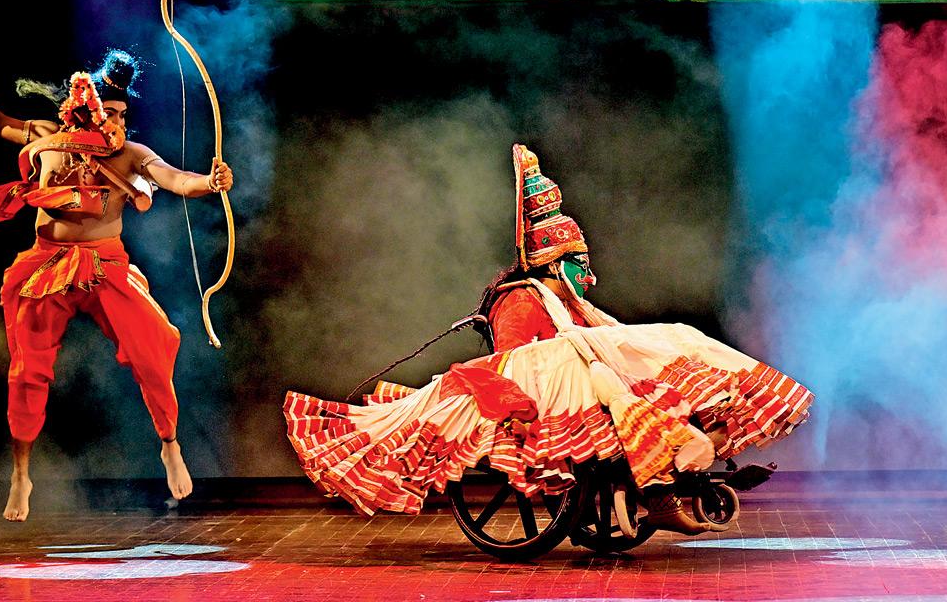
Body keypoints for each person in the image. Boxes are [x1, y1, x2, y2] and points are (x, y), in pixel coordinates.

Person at [283, 144, 812, 534]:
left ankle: (674, 462)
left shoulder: (572, 304)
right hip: (539, 389)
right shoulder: (522, 299)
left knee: (666, 345)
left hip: (576, 384)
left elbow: (601, 341)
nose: (588, 274)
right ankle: (653, 482)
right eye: (578, 263)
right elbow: (516, 362)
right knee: (628, 354)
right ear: (556, 262)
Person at [0, 47, 234, 521]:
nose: (113, 122)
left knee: (154, 345)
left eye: (120, 114)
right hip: (46, 265)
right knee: (28, 371)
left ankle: (169, 444)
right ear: (80, 109)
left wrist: (210, 183)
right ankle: (21, 474)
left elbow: (176, 180)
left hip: (106, 265)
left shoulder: (131, 155)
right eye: (106, 111)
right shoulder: (48, 138)